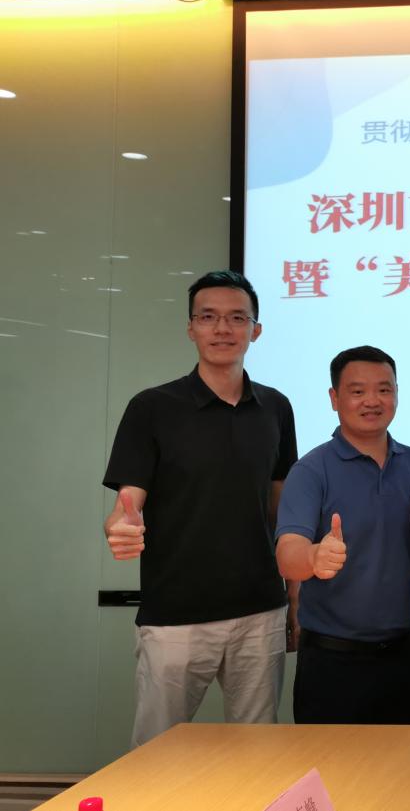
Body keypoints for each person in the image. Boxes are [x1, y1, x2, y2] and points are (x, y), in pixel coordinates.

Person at [103, 270, 297, 747]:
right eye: (208, 317)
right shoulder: (152, 407)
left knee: (258, 753)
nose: (222, 329)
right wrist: (120, 527)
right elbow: (127, 504)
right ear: (190, 328)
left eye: (237, 318)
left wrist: (294, 597)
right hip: (175, 614)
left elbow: (282, 513)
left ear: (256, 330)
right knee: (157, 755)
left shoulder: (276, 407)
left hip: (260, 612)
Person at [275, 346, 410, 724]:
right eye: (358, 391)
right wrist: (313, 558)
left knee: (404, 759)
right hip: (333, 660)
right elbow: (288, 553)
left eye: (384, 390)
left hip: (405, 654)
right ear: (334, 398)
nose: (372, 401)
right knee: (330, 761)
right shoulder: (311, 470)